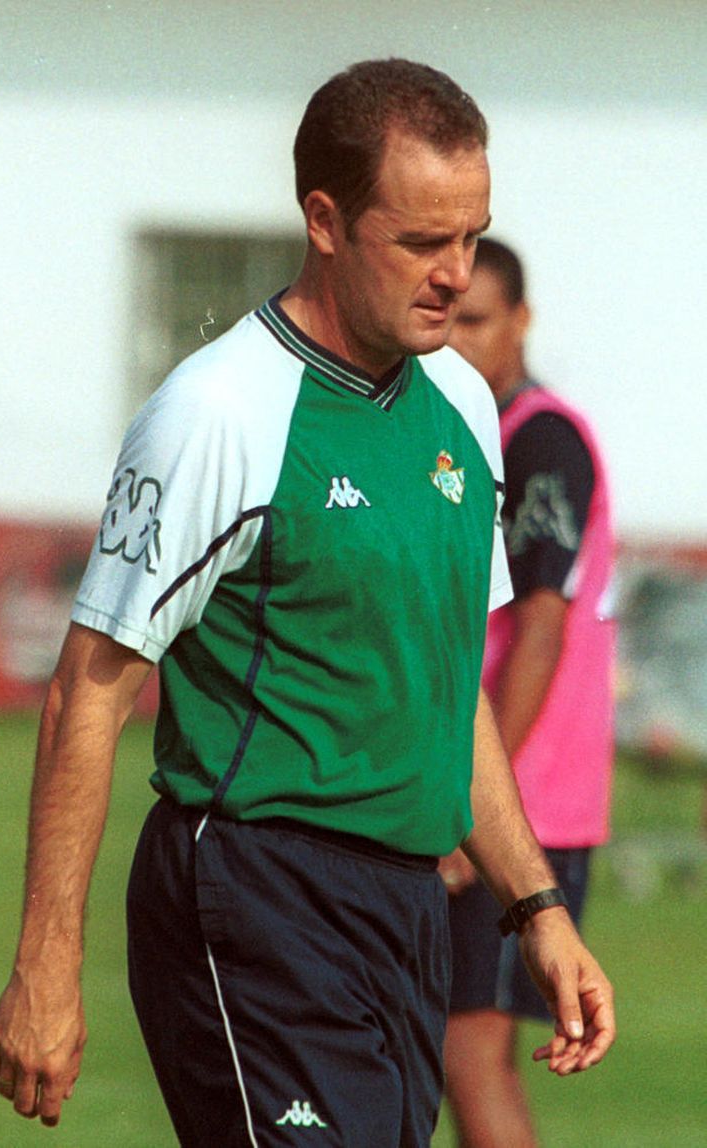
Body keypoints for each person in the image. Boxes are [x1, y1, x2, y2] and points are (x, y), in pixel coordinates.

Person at [0, 59, 615, 1146]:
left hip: (410, 907)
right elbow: (85, 694)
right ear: (322, 220)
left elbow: (444, 688)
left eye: (470, 237)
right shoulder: (217, 414)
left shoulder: (464, 405)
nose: (454, 275)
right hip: (255, 891)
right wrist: (44, 963)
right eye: (420, 241)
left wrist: (533, 904)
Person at [441, 237, 615, 1147]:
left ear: (521, 320)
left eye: (476, 320)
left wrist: (479, 813)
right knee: (439, 1047)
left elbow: (539, 630)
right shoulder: (461, 432)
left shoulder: (539, 440)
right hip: (488, 790)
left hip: (523, 800)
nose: (455, 339)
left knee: (471, 1054)